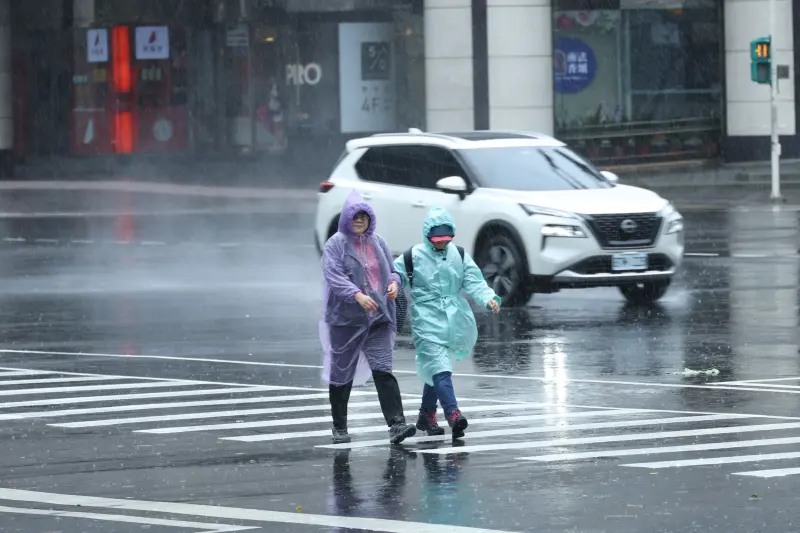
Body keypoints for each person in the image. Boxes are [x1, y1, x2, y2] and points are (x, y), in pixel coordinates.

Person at [394, 207, 501, 439]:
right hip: (425, 318)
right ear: (427, 235)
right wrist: (393, 283)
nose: (442, 243)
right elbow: (395, 273)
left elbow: (474, 281)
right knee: (441, 368)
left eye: (446, 238)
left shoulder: (459, 254)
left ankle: (426, 414)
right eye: (437, 239)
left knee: (436, 367)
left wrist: (489, 298)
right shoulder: (413, 255)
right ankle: (453, 414)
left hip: (453, 319)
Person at [319, 190, 417, 445]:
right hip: (346, 320)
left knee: (383, 369)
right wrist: (356, 296)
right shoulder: (336, 244)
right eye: (355, 217)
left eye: (364, 216)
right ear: (346, 219)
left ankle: (397, 424)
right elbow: (334, 276)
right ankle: (339, 426)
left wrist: (395, 284)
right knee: (342, 373)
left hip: (378, 318)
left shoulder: (378, 242)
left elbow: (392, 271)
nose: (360, 221)